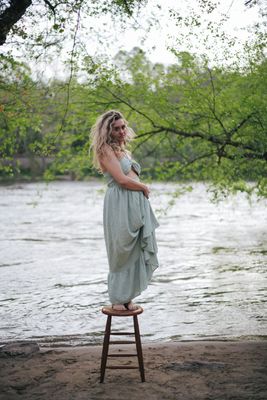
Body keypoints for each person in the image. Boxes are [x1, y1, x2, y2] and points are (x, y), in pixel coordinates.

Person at [90, 110, 159, 311]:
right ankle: (117, 297)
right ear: (108, 130)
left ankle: (127, 296)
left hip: (134, 204)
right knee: (121, 249)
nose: (121, 131)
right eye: (116, 128)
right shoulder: (104, 150)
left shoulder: (123, 149)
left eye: (123, 127)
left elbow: (129, 176)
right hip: (119, 203)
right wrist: (144, 187)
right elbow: (121, 180)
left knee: (135, 249)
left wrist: (139, 191)